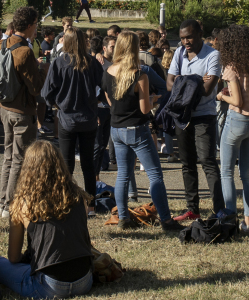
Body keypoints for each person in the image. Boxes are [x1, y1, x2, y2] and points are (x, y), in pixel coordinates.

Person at [0, 141, 94, 298]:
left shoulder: (22, 203)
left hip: (48, 284)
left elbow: (13, 257)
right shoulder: (79, 196)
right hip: (85, 280)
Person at [105, 31, 182, 233]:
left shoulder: (108, 71)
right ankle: (166, 220)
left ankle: (123, 217)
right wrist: (153, 99)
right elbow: (145, 110)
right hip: (136, 128)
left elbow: (108, 99)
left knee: (123, 174)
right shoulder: (140, 75)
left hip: (116, 128)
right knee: (155, 174)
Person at [0, 6, 46, 219]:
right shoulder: (24, 52)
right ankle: (10, 205)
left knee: (8, 157)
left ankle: (2, 203)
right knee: (19, 159)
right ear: (31, 25)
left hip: (4, 107)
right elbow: (35, 88)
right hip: (22, 111)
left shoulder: (0, 44)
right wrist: (42, 69)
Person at [166, 19, 224, 220]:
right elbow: (168, 84)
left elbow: (208, 90)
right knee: (187, 163)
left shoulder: (213, 55)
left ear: (200, 33)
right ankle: (193, 210)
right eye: (182, 38)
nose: (185, 42)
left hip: (204, 116)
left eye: (189, 37)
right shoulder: (179, 53)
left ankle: (219, 210)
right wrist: (196, 80)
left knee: (208, 161)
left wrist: (182, 82)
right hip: (183, 116)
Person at [41, 26, 104, 210]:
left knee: (66, 164)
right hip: (89, 118)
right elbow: (103, 87)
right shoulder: (92, 63)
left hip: (67, 118)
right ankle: (91, 205)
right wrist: (95, 100)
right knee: (88, 165)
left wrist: (56, 104)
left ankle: (65, 202)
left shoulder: (60, 63)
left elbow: (47, 92)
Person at [214, 25, 249, 232]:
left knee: (226, 172)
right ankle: (247, 222)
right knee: (247, 173)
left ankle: (230, 220)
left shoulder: (231, 67)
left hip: (236, 120)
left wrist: (221, 96)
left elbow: (235, 99)